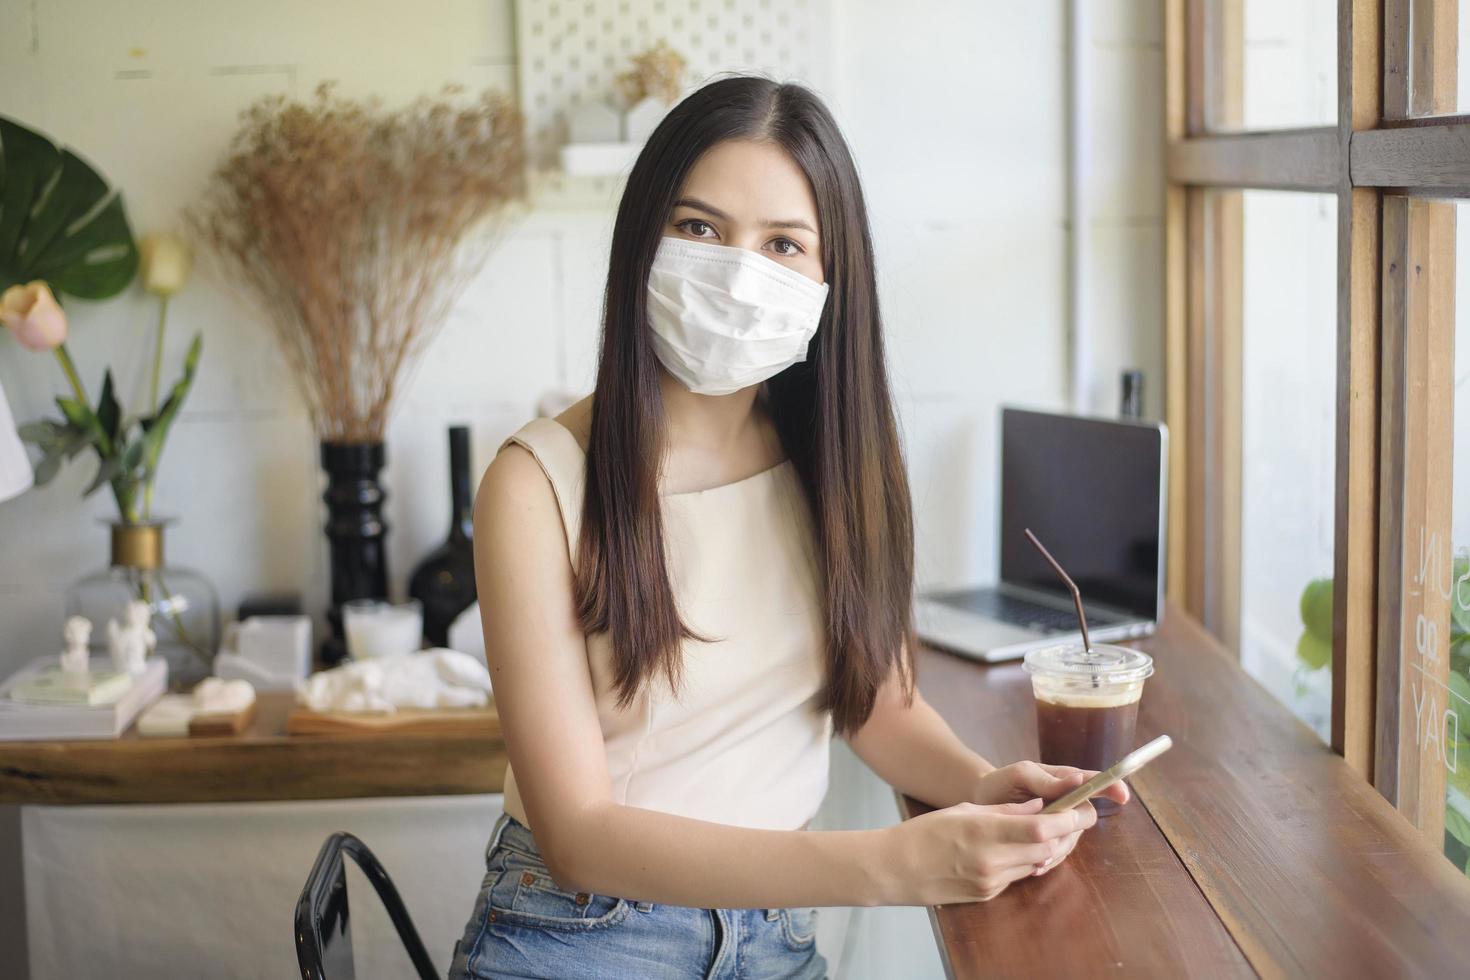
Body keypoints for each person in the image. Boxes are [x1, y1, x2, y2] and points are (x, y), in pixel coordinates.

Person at [448, 73, 1127, 980]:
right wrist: (892, 864)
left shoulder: (828, 461)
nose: (737, 273)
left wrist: (976, 785)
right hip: (579, 934)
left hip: (775, 940)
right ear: (639, 240)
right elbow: (580, 836)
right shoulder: (533, 485)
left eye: (783, 244)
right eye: (698, 228)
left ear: (826, 280)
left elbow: (876, 703)